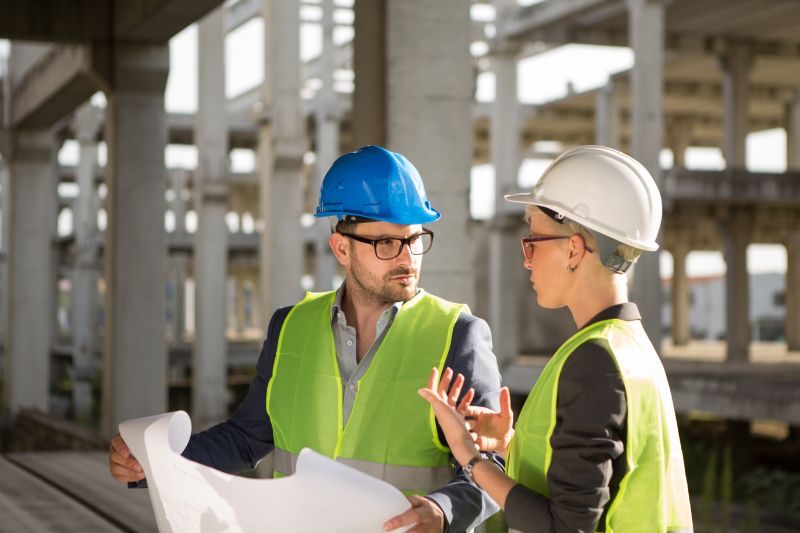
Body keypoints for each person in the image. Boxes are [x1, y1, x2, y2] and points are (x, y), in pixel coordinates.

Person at [109, 145, 503, 533]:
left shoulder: (458, 335)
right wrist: (154, 461)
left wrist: (442, 511)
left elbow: (489, 467)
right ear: (342, 248)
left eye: (415, 239)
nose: (407, 258)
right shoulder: (289, 328)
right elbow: (246, 439)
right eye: (386, 243)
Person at [418, 145, 694, 532]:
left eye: (532, 241)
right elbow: (593, 486)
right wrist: (508, 446)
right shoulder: (630, 348)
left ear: (574, 250)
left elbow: (566, 526)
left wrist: (470, 457)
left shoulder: (595, 362)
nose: (526, 259)